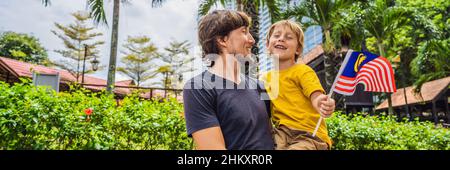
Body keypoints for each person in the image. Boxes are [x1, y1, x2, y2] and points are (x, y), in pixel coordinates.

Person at [182, 10, 274, 150]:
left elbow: (271, 136)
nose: (252, 40)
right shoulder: (198, 88)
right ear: (222, 40)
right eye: (244, 32)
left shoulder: (260, 86)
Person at [261, 20, 336, 150]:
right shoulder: (263, 79)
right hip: (281, 134)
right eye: (277, 36)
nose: (281, 39)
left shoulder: (303, 71)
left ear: (298, 49)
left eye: (288, 37)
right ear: (268, 45)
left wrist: (321, 103)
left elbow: (315, 95)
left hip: (309, 135)